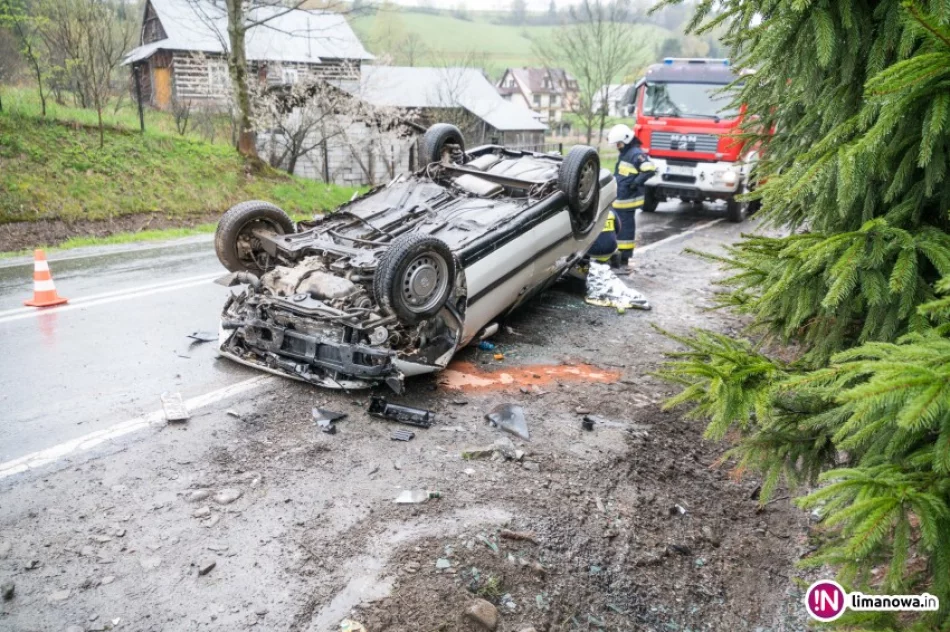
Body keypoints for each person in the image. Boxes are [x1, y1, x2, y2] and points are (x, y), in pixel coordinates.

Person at [606, 124, 656, 272]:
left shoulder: (635, 153)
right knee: (618, 227)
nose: (618, 146)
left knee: (626, 229)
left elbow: (649, 169)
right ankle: (618, 254)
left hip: (628, 200)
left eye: (619, 144)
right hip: (621, 197)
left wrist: (636, 183)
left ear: (627, 140)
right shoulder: (626, 153)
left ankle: (625, 257)